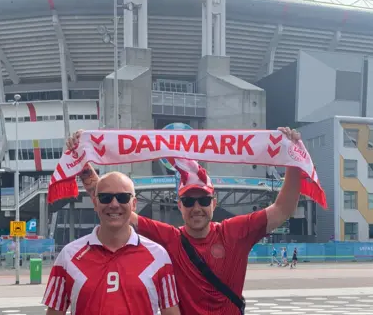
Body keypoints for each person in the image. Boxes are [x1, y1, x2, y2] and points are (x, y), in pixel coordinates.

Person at [68, 127, 304, 315]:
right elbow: (118, 208)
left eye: (203, 200)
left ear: (214, 202)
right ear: (179, 205)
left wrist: (293, 160)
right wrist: (83, 163)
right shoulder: (171, 238)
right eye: (189, 201)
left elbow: (284, 208)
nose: (197, 208)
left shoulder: (235, 231)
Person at [43, 172, 181, 315]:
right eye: (105, 198)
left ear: (133, 204)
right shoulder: (67, 256)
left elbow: (171, 312)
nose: (114, 204)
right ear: (95, 203)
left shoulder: (159, 257)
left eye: (123, 198)